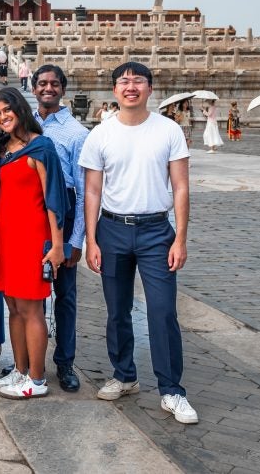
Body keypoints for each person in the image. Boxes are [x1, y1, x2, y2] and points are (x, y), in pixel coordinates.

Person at [79, 62, 197, 425]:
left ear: (149, 88)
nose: (130, 87)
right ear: (114, 90)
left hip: (155, 232)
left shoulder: (168, 130)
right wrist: (91, 239)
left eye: (138, 81)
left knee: (162, 311)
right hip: (112, 230)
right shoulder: (101, 133)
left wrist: (180, 237)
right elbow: (93, 190)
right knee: (117, 310)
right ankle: (124, 374)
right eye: (123, 81)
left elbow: (180, 187)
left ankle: (172, 390)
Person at [0, 87, 66, 399]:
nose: (3, 116)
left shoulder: (41, 147)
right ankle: (19, 371)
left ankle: (37, 377)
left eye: (7, 110)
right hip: (4, 239)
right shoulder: (3, 149)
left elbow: (54, 199)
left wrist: (56, 245)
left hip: (32, 238)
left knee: (32, 309)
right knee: (14, 309)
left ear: (20, 109)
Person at [31, 65, 88, 392]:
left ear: (63, 89)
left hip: (63, 218)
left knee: (64, 296)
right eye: (42, 83)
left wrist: (76, 239)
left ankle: (64, 362)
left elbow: (81, 191)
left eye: (54, 83)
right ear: (34, 88)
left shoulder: (77, 133)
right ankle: (29, 358)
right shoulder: (25, 126)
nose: (48, 88)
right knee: (30, 295)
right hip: (31, 219)